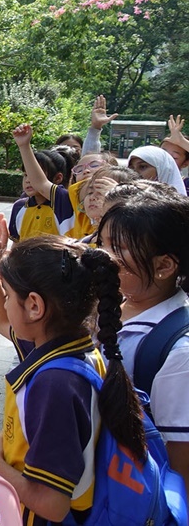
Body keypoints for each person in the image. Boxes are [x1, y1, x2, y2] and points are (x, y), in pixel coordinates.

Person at [0, 216, 148, 525]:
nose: (5, 304)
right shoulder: (73, 347)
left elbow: (52, 504)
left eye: (7, 296)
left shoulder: (55, 384)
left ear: (34, 306)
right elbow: (0, 321)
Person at [97, 193, 189, 479]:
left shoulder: (180, 352)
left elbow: (180, 464)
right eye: (102, 244)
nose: (102, 256)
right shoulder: (108, 305)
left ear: (163, 266)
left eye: (117, 248)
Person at [8, 124, 74, 241]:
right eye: (26, 175)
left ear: (58, 178)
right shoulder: (19, 206)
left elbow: (41, 184)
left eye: (35, 175)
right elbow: (16, 244)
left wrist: (24, 146)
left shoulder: (64, 202)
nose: (29, 180)